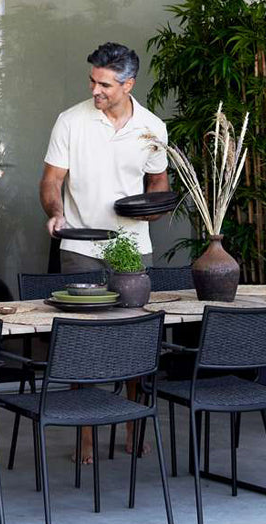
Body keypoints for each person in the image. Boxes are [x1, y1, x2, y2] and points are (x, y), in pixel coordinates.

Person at [39, 42, 170, 463]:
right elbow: (51, 180)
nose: (95, 90)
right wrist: (56, 213)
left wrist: (151, 210)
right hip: (80, 244)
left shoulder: (152, 127)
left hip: (132, 248)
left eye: (105, 84)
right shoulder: (71, 121)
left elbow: (158, 184)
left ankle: (132, 425)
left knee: (133, 339)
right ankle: (86, 435)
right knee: (82, 341)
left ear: (128, 84)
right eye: (93, 81)